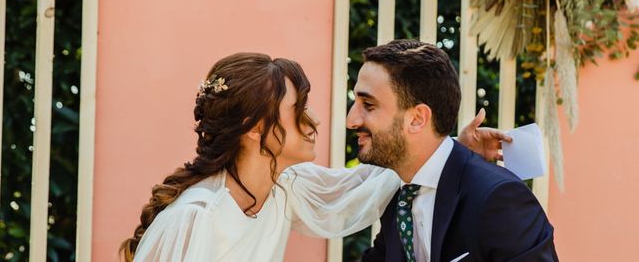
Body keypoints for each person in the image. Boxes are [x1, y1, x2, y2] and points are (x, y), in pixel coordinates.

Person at [120, 52, 509, 261]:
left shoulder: (283, 190)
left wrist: (449, 149)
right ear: (255, 128)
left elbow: (370, 185)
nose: (315, 121)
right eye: (298, 110)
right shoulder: (195, 219)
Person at [347, 39, 558, 262]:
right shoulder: (399, 200)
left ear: (418, 119)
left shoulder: (499, 198)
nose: (351, 120)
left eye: (368, 105)